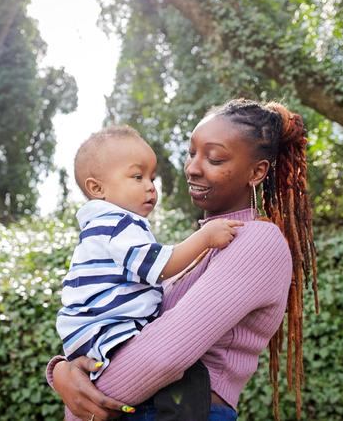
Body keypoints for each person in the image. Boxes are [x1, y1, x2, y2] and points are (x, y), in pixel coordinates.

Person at [47, 99, 319, 421]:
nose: (192, 167)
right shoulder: (191, 251)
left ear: (257, 172)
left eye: (214, 157)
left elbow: (163, 357)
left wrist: (77, 407)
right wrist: (63, 370)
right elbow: (124, 326)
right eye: (192, 153)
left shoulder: (257, 242)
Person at [58, 125, 244, 419]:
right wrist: (205, 239)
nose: (150, 187)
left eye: (152, 178)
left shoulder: (101, 228)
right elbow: (158, 267)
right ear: (97, 189)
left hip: (95, 336)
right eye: (137, 176)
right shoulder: (117, 224)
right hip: (112, 331)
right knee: (189, 379)